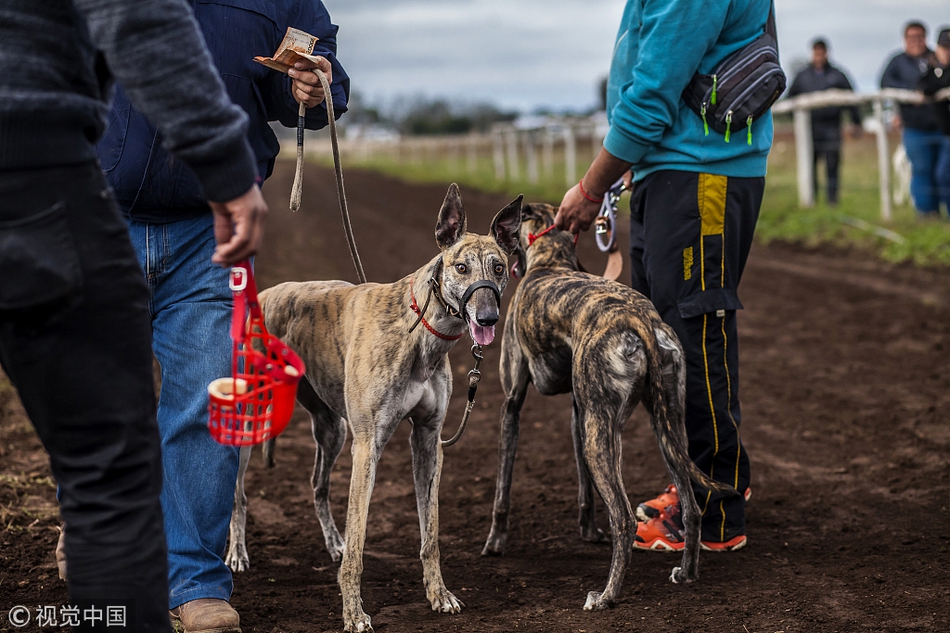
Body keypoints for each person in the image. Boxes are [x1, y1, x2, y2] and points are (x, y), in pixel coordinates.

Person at [0, 0, 267, 631]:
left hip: (186, 231)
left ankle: (194, 578)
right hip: (44, 179)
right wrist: (227, 165)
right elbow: (137, 15)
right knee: (109, 471)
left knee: (198, 396)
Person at [89, 2, 348, 631]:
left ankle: (193, 581)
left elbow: (323, 81)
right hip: (93, 214)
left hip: (210, 230)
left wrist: (316, 86)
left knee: (206, 399)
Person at [555, 0, 770, 552]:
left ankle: (714, 513)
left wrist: (592, 187)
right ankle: (702, 485)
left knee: (695, 339)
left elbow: (652, 96)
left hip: (700, 170)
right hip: (671, 168)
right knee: (669, 341)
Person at [787, 38, 862, 206]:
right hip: (809, 129)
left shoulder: (837, 74)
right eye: (816, 52)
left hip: (832, 127)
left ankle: (832, 200)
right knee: (809, 164)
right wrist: (796, 123)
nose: (819, 55)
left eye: (822, 52)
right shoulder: (802, 76)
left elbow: (851, 99)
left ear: (827, 53)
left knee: (832, 164)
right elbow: (790, 99)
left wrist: (857, 122)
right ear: (812, 53)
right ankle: (810, 199)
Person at [881, 21, 944, 218]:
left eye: (920, 37)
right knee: (922, 170)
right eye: (912, 37)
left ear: (926, 38)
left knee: (943, 171)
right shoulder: (897, 62)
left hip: (942, 126)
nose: (916, 41)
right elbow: (885, 83)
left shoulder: (937, 58)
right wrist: (912, 93)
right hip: (914, 127)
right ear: (905, 39)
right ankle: (927, 215)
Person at [919, 27, 950, 216]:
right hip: (946, 133)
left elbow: (933, 86)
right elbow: (924, 85)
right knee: (941, 174)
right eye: (944, 47)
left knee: (943, 174)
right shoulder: (933, 69)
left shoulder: (937, 70)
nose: (947, 52)